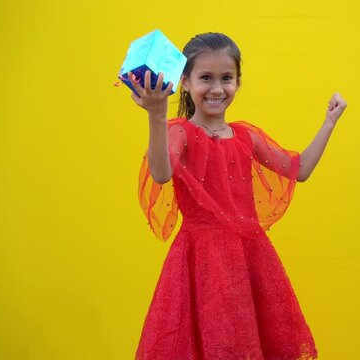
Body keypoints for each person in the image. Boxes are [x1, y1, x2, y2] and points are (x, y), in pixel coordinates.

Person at [129, 32, 346, 360]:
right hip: (201, 262)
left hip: (249, 261)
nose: (217, 89)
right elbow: (161, 173)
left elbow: (297, 169)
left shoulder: (246, 136)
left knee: (248, 343)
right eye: (206, 78)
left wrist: (329, 123)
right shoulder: (179, 132)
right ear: (184, 82)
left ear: (238, 83)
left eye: (226, 78)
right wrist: (156, 116)